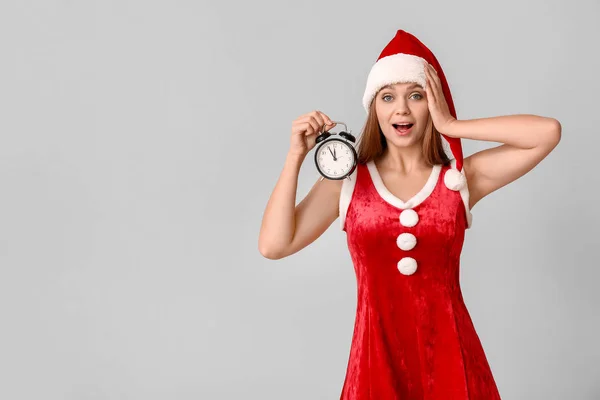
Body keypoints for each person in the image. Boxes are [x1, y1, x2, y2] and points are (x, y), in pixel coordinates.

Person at [258, 29, 561, 399]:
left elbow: (547, 133)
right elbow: (274, 245)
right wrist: (295, 157)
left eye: (415, 95)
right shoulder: (348, 181)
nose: (401, 109)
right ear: (375, 109)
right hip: (374, 360)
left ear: (431, 104)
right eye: (388, 97)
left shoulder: (460, 178)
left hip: (452, 357)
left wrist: (451, 126)